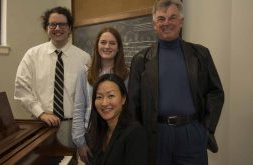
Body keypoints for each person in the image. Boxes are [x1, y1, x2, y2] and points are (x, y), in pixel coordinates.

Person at [128, 0, 225, 164]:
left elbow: (215, 92)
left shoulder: (201, 54)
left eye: (172, 17)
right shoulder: (140, 60)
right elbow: (133, 104)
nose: (166, 23)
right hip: (156, 135)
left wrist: (205, 129)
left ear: (181, 21)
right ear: (154, 24)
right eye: (161, 19)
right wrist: (140, 137)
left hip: (191, 133)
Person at [14, 7, 90, 147]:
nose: (57, 28)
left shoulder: (84, 58)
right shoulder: (32, 55)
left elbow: (89, 97)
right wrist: (41, 113)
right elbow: (21, 89)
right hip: (41, 124)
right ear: (46, 28)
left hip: (73, 127)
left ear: (69, 28)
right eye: (52, 24)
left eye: (62, 24)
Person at [72, 27, 130, 163]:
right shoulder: (85, 73)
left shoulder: (127, 73)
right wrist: (79, 142)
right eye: (103, 42)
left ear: (118, 47)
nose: (107, 46)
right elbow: (79, 107)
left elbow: (129, 107)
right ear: (97, 45)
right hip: (92, 136)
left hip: (118, 135)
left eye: (112, 43)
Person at [87, 74, 148, 165]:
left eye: (111, 96)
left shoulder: (135, 133)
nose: (104, 103)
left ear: (123, 99)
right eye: (99, 97)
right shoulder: (98, 131)